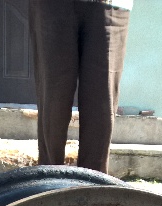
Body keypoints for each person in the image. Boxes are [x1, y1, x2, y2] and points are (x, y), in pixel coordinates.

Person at [29, 0, 133, 174]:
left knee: (102, 105)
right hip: (51, 5)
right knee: (53, 103)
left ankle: (93, 185)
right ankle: (48, 183)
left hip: (111, 4)